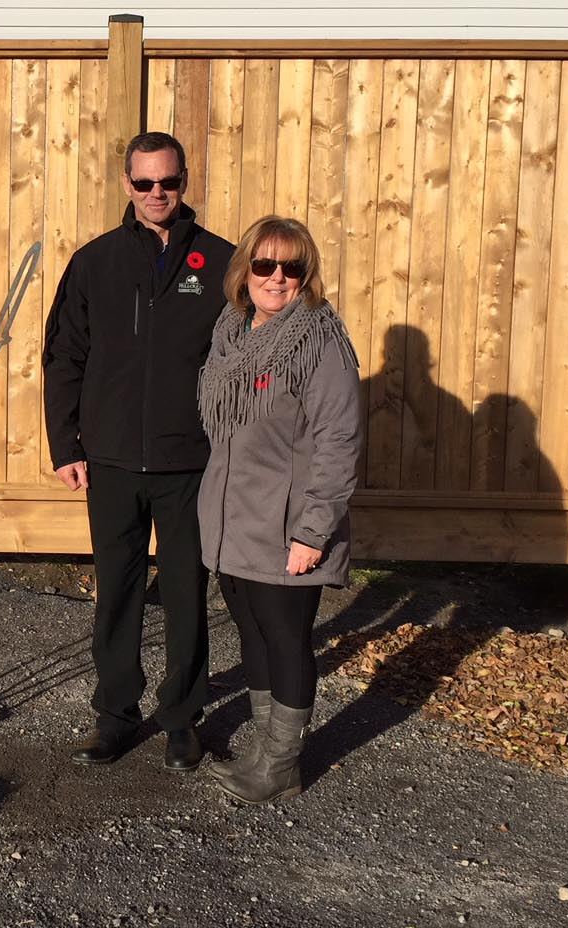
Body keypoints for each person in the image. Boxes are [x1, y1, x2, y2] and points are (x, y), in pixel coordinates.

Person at [42, 132, 235, 771]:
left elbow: (244, 361)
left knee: (185, 591)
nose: (157, 194)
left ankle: (183, 718)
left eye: (169, 182)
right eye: (144, 183)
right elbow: (64, 356)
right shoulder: (95, 262)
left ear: (185, 181)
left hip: (190, 462)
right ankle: (115, 715)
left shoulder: (222, 262)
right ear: (127, 184)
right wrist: (65, 443)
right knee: (118, 590)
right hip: (114, 460)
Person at [195, 215, 362, 802]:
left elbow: (338, 443)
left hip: (288, 525)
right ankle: (265, 751)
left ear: (306, 275)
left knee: (287, 638)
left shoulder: (321, 343)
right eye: (265, 264)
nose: (277, 277)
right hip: (234, 521)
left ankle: (283, 766)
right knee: (254, 633)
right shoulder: (231, 335)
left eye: (292, 267)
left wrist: (314, 531)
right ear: (245, 271)